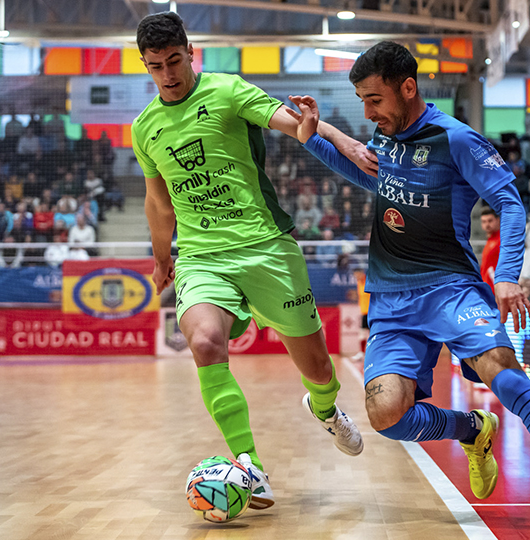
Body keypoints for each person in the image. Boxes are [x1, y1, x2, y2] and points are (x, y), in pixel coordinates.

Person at [296, 40, 530, 538]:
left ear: (407, 87)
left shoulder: (457, 140)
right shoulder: (384, 138)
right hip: (391, 299)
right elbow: (366, 176)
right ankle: (472, 430)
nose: (368, 112)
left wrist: (507, 276)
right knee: (386, 414)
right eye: (362, 102)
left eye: (374, 100)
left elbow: (511, 204)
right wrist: (312, 136)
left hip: (451, 289)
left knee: (509, 381)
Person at [130, 11, 367, 511]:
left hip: (265, 247)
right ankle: (249, 467)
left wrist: (318, 132)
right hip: (201, 257)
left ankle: (325, 410)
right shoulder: (145, 127)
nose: (168, 74)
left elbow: (286, 119)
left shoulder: (226, 90)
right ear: (145, 65)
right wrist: (160, 258)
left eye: (175, 61)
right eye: (157, 66)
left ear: (190, 53)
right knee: (204, 341)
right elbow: (157, 201)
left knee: (319, 369)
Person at [479, 206, 501, 291]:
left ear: (498, 220)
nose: (487, 225)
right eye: (484, 222)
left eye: (490, 221)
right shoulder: (489, 242)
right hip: (487, 289)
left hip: (496, 290)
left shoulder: (501, 240)